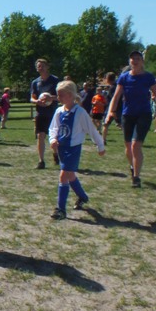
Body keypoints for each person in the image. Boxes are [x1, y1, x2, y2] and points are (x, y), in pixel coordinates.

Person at [48, 81, 106, 219]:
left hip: (73, 149)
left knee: (63, 176)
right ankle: (83, 197)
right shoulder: (59, 111)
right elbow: (53, 128)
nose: (58, 97)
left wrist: (100, 145)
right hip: (62, 148)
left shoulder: (80, 112)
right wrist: (53, 139)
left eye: (60, 95)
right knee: (70, 176)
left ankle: (61, 209)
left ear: (69, 95)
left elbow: (91, 130)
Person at [106, 51, 156, 188]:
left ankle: (136, 177)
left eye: (138, 58)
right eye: (132, 59)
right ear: (129, 62)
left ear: (142, 61)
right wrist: (111, 112)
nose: (135, 61)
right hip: (127, 115)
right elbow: (116, 96)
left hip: (144, 114)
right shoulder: (124, 78)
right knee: (128, 146)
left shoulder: (148, 77)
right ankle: (132, 166)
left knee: (135, 145)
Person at [30, 59, 59, 169]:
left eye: (42, 66)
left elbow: (60, 96)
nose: (40, 68)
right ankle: (41, 161)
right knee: (40, 136)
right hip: (40, 113)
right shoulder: (35, 82)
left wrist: (50, 98)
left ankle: (56, 154)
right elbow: (32, 98)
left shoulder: (55, 80)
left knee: (55, 137)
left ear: (47, 67)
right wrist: (37, 101)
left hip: (53, 113)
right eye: (38, 66)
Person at [102, 72, 122, 142]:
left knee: (105, 124)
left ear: (108, 79)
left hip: (112, 109)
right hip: (118, 108)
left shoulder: (113, 88)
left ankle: (103, 140)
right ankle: (130, 139)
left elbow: (113, 99)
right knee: (120, 124)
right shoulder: (117, 86)